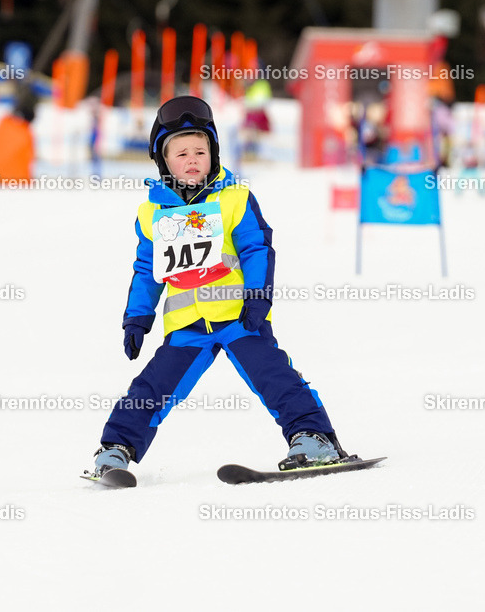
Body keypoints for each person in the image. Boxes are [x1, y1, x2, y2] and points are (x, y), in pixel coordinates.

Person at [88, 96, 346, 478]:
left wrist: (257, 296)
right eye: (181, 153)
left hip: (240, 318)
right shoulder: (152, 213)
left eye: (200, 150)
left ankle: (314, 438)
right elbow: (147, 268)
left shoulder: (234, 199)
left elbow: (257, 248)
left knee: (275, 379)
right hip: (187, 328)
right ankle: (115, 449)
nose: (192, 159)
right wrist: (137, 317)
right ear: (163, 161)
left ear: (214, 154)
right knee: (150, 389)